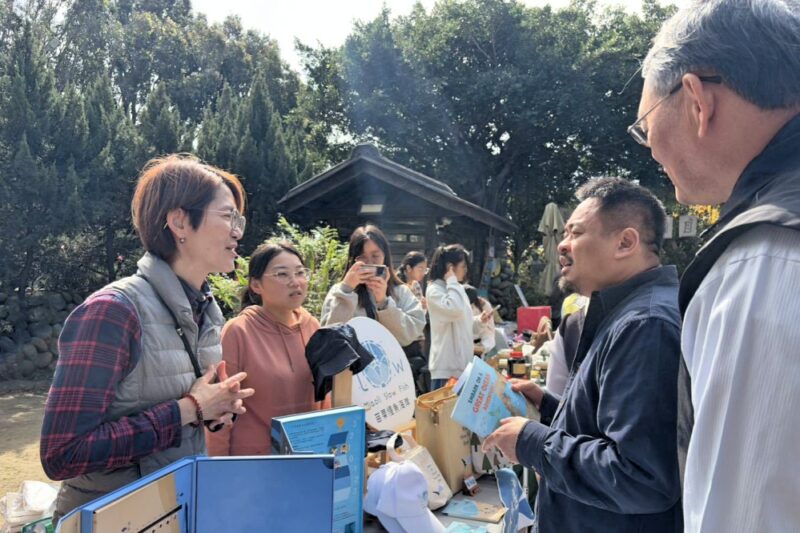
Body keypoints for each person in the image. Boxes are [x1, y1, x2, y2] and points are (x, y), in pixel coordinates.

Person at [634, 2, 800, 530]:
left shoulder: (763, 261)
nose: (650, 150)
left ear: (697, 100)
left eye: (643, 126)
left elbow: (743, 516)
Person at [40, 155, 255, 522]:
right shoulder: (113, 311)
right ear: (179, 222)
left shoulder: (206, 312)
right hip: (110, 521)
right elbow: (62, 453)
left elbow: (180, 412)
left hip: (173, 510)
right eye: (227, 216)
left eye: (239, 220)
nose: (238, 232)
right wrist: (190, 409)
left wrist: (213, 411)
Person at [482, 178, 682, 532]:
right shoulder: (626, 313)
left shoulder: (645, 325)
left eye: (575, 232)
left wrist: (532, 442)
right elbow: (608, 428)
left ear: (625, 243)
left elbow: (640, 475)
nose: (563, 245)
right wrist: (549, 408)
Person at [207, 242, 328, 456]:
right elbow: (220, 409)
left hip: (308, 455)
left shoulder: (313, 327)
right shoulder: (238, 331)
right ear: (256, 285)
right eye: (282, 274)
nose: (295, 282)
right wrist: (217, 466)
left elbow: (324, 399)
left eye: (300, 273)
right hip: (254, 462)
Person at [320, 225, 425, 349]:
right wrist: (346, 291)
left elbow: (411, 333)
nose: (369, 263)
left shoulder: (400, 291)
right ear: (352, 260)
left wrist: (383, 303)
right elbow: (329, 337)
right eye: (362, 258)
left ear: (385, 256)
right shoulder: (339, 291)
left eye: (375, 256)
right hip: (353, 361)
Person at [426, 244, 491, 390]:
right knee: (445, 406)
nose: (465, 270)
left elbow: (463, 323)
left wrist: (479, 321)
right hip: (445, 369)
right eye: (463, 266)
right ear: (450, 267)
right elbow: (454, 310)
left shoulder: (456, 289)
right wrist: (452, 281)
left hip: (462, 366)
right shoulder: (434, 290)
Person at [397, 250, 429, 394]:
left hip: (417, 337)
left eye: (425, 269)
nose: (423, 273)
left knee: (416, 372)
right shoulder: (397, 286)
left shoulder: (416, 285)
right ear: (408, 268)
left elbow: (421, 313)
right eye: (420, 268)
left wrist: (423, 308)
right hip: (402, 337)